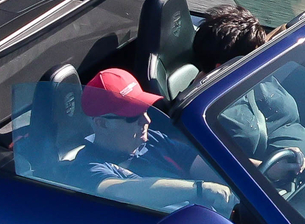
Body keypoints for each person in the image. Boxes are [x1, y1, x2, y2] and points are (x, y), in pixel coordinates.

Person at [60, 70, 234, 212]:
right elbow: (120, 191)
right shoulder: (86, 167)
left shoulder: (153, 139)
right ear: (102, 124)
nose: (147, 121)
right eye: (133, 116)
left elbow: (210, 166)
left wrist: (254, 173)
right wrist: (199, 189)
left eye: (146, 110)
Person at [193, 4, 305, 183]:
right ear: (224, 67)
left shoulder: (252, 78)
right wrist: (265, 170)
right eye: (254, 58)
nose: (262, 62)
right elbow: (198, 166)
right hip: (264, 190)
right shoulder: (203, 111)